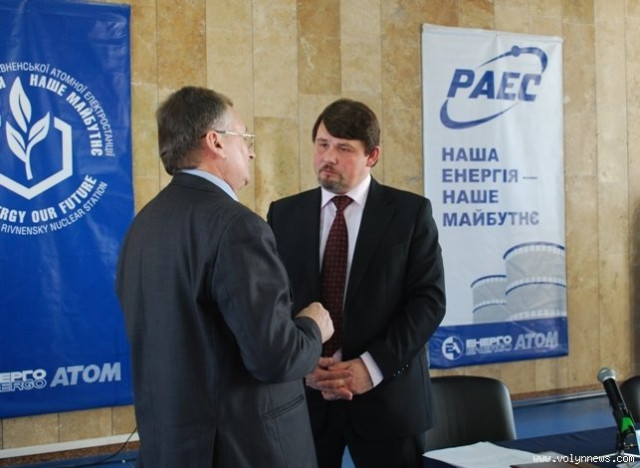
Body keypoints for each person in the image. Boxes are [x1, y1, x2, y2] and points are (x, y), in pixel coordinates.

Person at [115, 86, 334, 467]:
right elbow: (275, 358)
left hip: (168, 451)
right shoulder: (237, 227)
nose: (251, 151)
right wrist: (313, 326)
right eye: (245, 137)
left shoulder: (142, 226)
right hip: (240, 451)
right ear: (215, 142)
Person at [267, 98, 446, 468]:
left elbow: (428, 302)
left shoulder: (410, 214)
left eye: (344, 148)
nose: (328, 157)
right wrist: (301, 362)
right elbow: (272, 299)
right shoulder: (283, 214)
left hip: (387, 400)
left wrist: (371, 367)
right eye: (322, 144)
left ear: (372, 155)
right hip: (305, 401)